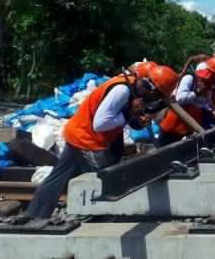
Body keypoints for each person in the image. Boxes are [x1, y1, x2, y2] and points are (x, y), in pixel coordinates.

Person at [23, 65, 178, 221]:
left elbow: (126, 118)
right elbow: (101, 123)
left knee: (59, 177)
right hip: (85, 138)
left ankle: (34, 214)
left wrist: (141, 114)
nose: (153, 101)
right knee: (106, 179)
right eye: (157, 97)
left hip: (81, 134)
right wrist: (128, 113)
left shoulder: (133, 89)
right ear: (151, 89)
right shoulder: (122, 91)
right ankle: (104, 217)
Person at [157, 60, 215, 147]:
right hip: (172, 127)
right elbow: (179, 99)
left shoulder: (208, 87)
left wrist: (213, 112)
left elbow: (202, 105)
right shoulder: (189, 79)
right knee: (163, 152)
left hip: (188, 128)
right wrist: (196, 92)